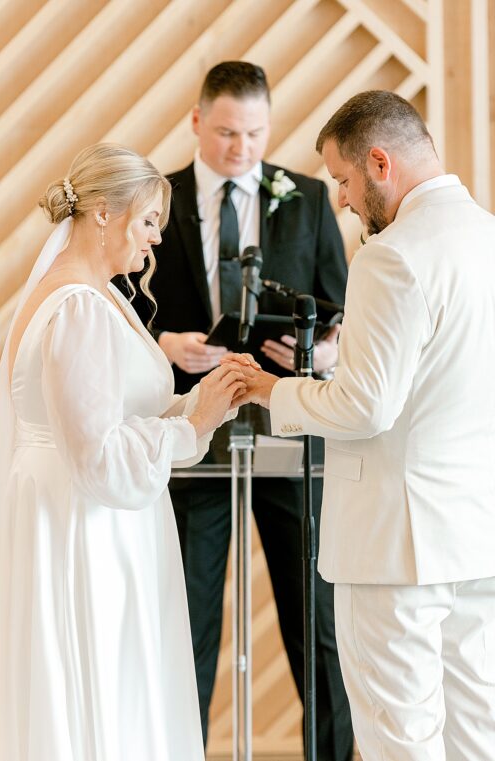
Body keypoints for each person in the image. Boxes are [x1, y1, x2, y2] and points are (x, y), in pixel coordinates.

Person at [231, 90, 495, 761]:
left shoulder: (392, 255)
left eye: (343, 180)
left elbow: (365, 406)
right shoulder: (487, 237)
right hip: (474, 533)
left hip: (393, 545)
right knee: (476, 731)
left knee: (397, 736)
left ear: (380, 161)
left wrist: (277, 390)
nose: (342, 201)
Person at [119, 60, 354, 758]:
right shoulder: (159, 193)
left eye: (255, 134)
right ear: (196, 122)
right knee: (187, 616)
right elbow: (120, 298)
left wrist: (313, 353)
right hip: (192, 436)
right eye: (226, 132)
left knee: (315, 620)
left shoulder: (308, 197)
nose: (241, 148)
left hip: (290, 427)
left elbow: (343, 316)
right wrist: (165, 343)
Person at [0, 143, 252, 759]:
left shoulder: (97, 295)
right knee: (101, 683)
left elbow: (109, 417)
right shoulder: (79, 306)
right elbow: (99, 457)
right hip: (87, 528)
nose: (156, 240)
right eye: (149, 222)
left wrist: (199, 404)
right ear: (103, 213)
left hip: (84, 513)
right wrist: (190, 428)